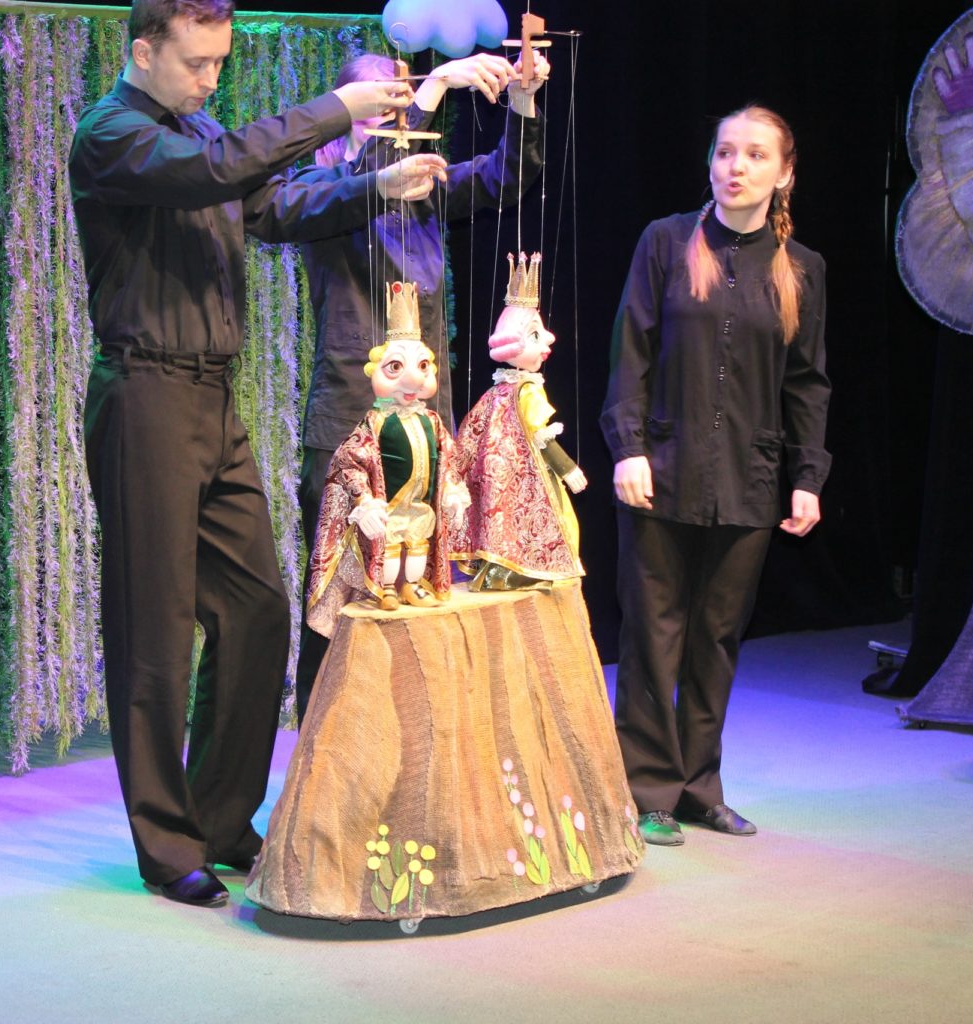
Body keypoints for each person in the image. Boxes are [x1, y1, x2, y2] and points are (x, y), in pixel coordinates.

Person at [68, 0, 448, 909]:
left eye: (219, 63)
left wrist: (375, 186)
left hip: (211, 395)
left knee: (256, 610)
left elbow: (273, 206)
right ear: (144, 51)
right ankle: (167, 846)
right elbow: (218, 171)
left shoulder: (200, 132)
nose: (210, 80)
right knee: (155, 629)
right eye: (196, 63)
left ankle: (220, 816)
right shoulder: (112, 134)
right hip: (146, 394)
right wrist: (336, 110)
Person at [292, 48, 549, 719]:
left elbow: (506, 177)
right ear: (347, 115)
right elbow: (367, 178)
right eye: (385, 106)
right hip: (352, 425)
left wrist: (522, 101)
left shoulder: (425, 192)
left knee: (415, 581)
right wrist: (432, 86)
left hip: (424, 433)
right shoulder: (321, 186)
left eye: (404, 104)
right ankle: (323, 746)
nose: (400, 118)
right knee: (342, 592)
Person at [600, 105, 831, 846]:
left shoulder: (802, 268)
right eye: (726, 152)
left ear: (784, 173)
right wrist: (628, 447)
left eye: (756, 155)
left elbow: (808, 383)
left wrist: (807, 476)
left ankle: (700, 787)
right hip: (661, 472)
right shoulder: (667, 242)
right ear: (710, 163)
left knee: (717, 637)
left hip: (749, 480)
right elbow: (631, 351)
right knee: (652, 635)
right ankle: (648, 790)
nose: (737, 167)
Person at [304, 282, 467, 638]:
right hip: (390, 505)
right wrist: (363, 500)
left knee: (418, 544)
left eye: (422, 366)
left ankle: (413, 585)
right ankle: (388, 587)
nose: (413, 379)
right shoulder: (375, 423)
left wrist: (453, 490)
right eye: (396, 367)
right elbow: (349, 461)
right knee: (391, 546)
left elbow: (449, 458)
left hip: (420, 506)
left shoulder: (432, 421)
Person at [450, 253, 587, 592]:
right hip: (520, 474)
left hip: (505, 475)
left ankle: (496, 569)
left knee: (507, 521)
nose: (549, 340)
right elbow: (541, 437)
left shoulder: (500, 389)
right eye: (536, 335)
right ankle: (516, 569)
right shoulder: (526, 390)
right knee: (543, 518)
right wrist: (567, 468)